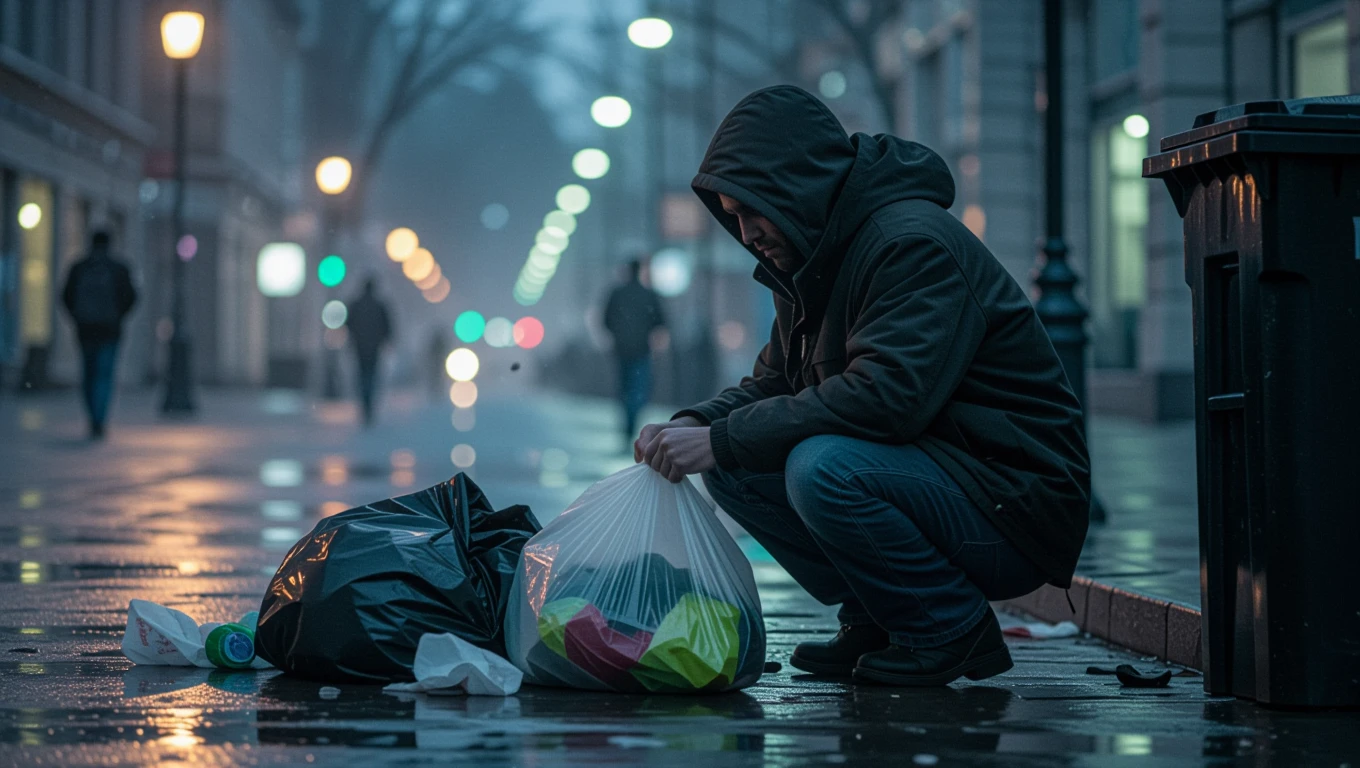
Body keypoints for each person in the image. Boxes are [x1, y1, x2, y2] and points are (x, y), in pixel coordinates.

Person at [634, 86, 1090, 686]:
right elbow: (773, 383)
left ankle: (948, 629)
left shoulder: (910, 243)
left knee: (822, 467)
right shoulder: (806, 261)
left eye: (751, 212)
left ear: (794, 185)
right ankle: (879, 616)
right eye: (733, 218)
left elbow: (888, 399)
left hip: (1016, 505)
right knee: (734, 464)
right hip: (950, 480)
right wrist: (695, 424)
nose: (745, 234)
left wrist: (722, 436)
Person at [61, 231, 137, 440]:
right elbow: (131, 297)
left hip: (85, 330)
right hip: (110, 331)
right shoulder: (118, 268)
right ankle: (99, 418)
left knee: (88, 374)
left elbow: (66, 296)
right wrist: (117, 316)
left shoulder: (79, 267)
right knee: (104, 375)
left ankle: (93, 415)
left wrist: (78, 318)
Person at [603, 258, 666, 445]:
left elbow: (606, 320)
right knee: (638, 389)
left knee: (624, 389)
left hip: (621, 350)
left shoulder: (617, 294)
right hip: (641, 350)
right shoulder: (648, 295)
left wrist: (618, 334)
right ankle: (632, 422)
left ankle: (627, 425)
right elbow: (660, 321)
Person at [344, 278, 392, 427]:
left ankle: (365, 404)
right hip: (374, 348)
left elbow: (348, 325)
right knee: (371, 376)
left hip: (359, 347)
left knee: (362, 376)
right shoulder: (380, 306)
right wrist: (386, 342)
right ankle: (368, 405)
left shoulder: (356, 305)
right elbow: (388, 327)